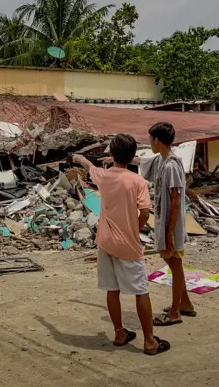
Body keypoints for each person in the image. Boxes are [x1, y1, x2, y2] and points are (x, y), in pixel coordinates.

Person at [73, 134, 170, 355]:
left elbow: (90, 167)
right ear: (133, 155)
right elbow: (145, 212)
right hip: (128, 244)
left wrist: (80, 159)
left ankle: (119, 332)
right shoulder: (138, 181)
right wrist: (134, 228)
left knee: (112, 289)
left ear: (111, 155)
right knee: (141, 291)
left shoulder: (104, 176)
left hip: (105, 242)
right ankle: (149, 341)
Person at [139, 122, 195, 326]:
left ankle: (175, 312)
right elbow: (143, 162)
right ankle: (185, 303)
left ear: (157, 140)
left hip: (172, 223)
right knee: (171, 261)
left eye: (150, 139)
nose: (149, 143)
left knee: (175, 263)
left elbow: (176, 199)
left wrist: (170, 231)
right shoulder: (162, 160)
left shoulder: (171, 165)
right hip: (166, 221)